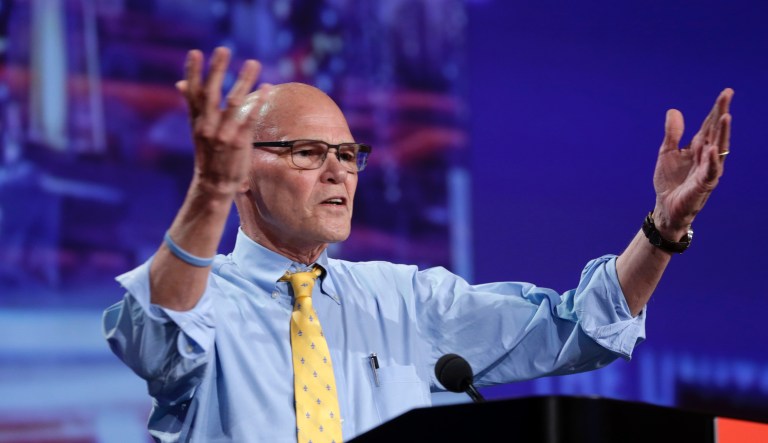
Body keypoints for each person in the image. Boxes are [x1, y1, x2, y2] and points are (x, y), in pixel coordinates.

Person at [103, 47, 733, 443]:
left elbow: (575, 328)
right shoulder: (203, 296)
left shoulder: (407, 300)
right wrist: (211, 190)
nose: (338, 173)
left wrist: (663, 228)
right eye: (307, 153)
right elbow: (158, 330)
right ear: (242, 169)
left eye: (348, 155)